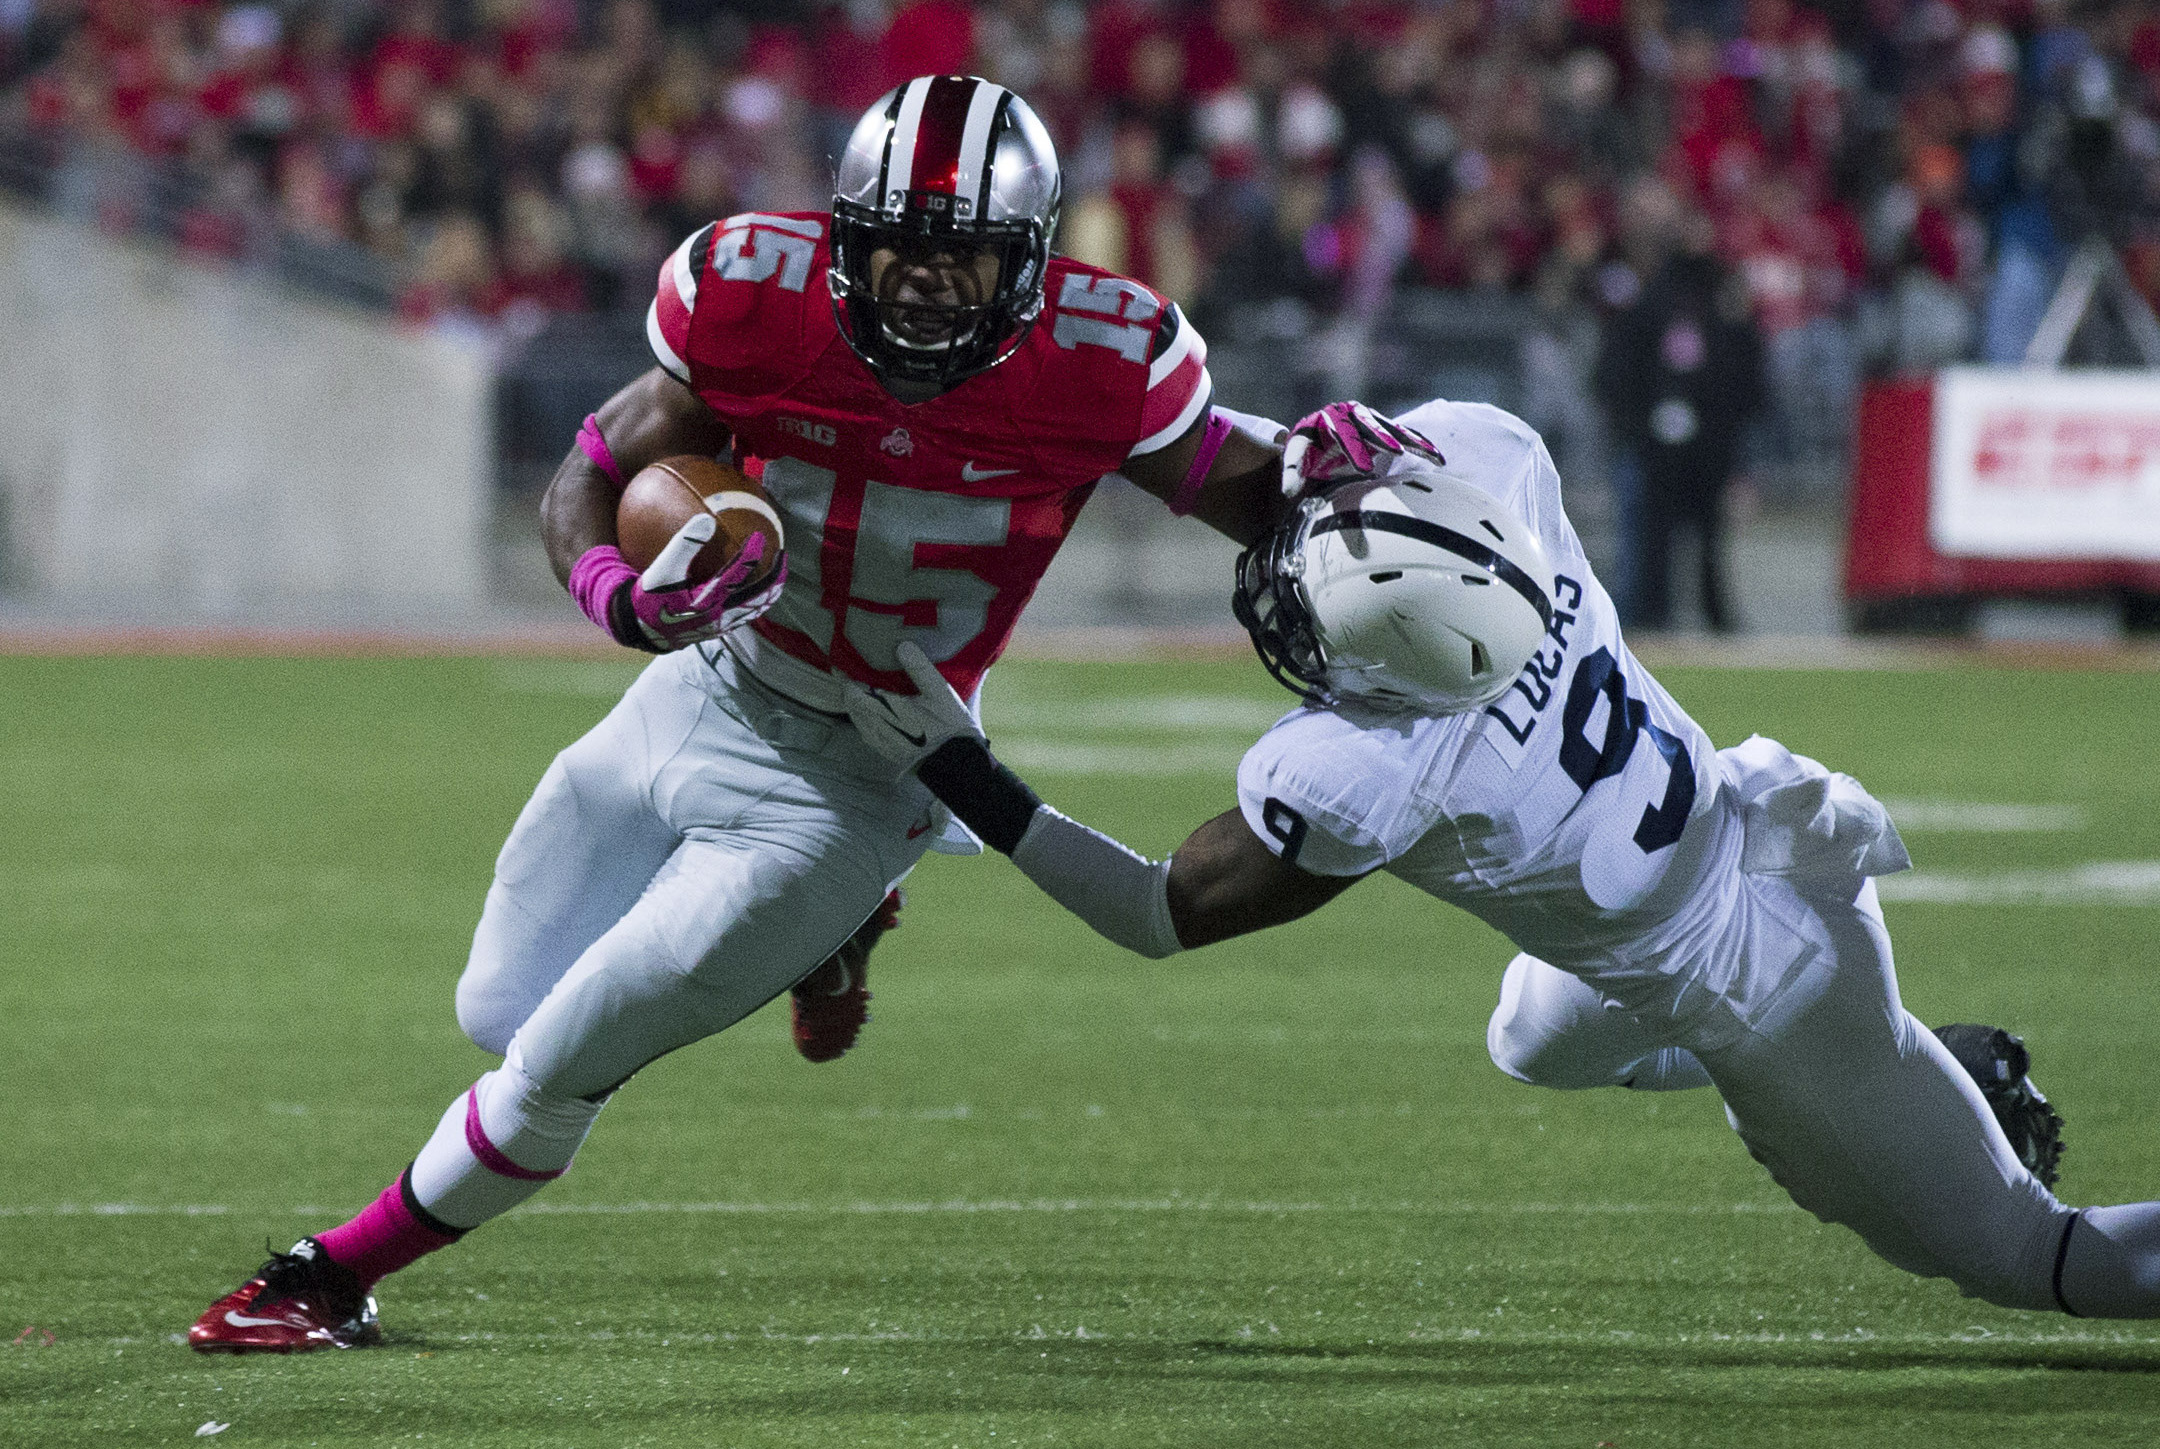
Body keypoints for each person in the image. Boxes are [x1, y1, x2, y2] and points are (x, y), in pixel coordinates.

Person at [186, 74, 1303, 1354]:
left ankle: (329, 1277)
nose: (926, 285)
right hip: (707, 688)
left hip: (868, 772)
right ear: (842, 240)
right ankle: (837, 941)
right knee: (498, 1007)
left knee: (555, 1062)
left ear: (1032, 268)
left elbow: (1263, 492)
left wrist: (1377, 501)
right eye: (897, 250)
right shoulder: (750, 295)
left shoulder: (1106, 365)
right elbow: (592, 476)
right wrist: (614, 593)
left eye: (964, 260)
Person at [839, 396, 2160, 1319]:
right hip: (1743, 848)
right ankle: (1932, 1067)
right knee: (1530, 1030)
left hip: (1777, 992)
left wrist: (968, 776)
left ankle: (1920, 1085)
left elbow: (1151, 912)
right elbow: (1362, 477)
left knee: (2029, 1259)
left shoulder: (1374, 766)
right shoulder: (1498, 474)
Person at [1594, 246, 1763, 633]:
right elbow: (1615, 376)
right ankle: (1655, 612)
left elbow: (1744, 385)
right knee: (1655, 536)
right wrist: (1640, 424)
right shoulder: (1649, 315)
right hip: (1657, 447)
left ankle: (1708, 613)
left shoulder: (1721, 319)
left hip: (1707, 446)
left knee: (1704, 536)